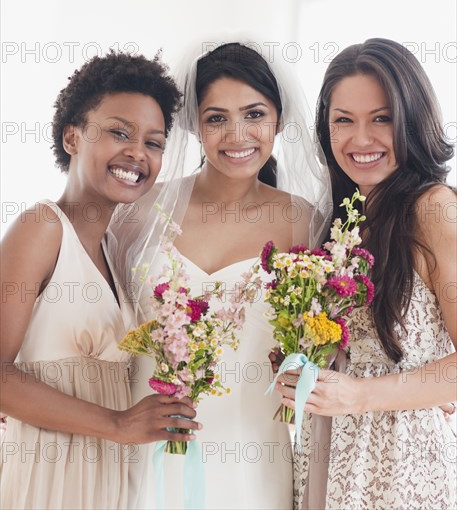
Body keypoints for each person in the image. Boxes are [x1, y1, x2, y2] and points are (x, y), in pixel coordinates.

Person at [109, 41, 332, 509]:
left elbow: (335, 339)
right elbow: (93, 313)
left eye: (254, 115)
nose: (237, 134)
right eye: (216, 118)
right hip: (143, 451)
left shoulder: (304, 223)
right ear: (194, 124)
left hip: (253, 457)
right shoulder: (138, 212)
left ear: (278, 120)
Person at [0, 51, 202, 510]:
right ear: (72, 136)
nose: (137, 153)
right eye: (118, 132)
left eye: (154, 142)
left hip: (112, 481)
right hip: (46, 477)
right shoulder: (41, 228)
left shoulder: (117, 251)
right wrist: (117, 423)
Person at [275, 38, 456, 509]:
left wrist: (361, 395)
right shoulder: (343, 220)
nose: (360, 140)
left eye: (381, 119)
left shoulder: (434, 209)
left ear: (413, 121)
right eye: (343, 121)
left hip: (400, 463)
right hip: (328, 449)